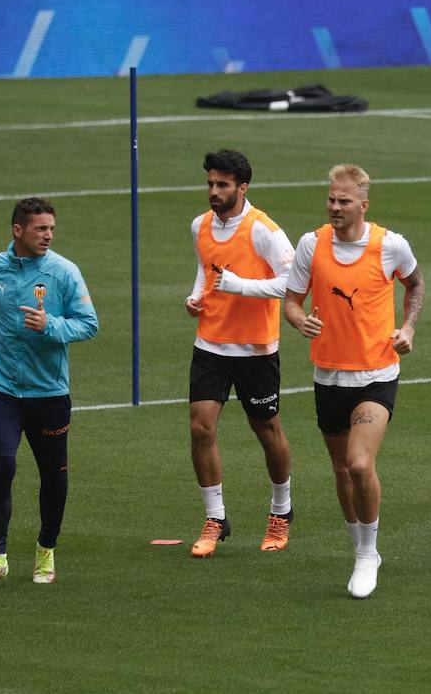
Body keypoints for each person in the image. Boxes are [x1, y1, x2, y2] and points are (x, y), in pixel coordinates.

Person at [284, 164, 424, 599]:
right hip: (329, 375)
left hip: (376, 374)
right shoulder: (312, 243)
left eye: (344, 201)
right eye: (331, 199)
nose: (335, 207)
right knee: (342, 470)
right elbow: (292, 299)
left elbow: (416, 286)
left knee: (361, 464)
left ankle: (367, 553)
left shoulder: (390, 245)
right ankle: (361, 543)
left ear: (363, 205)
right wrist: (299, 321)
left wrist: (408, 329)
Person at [0, 198, 99, 589]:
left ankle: (45, 549)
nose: (48, 235)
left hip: (48, 392)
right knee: (1, 465)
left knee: (53, 476)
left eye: (51, 227)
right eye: (40, 228)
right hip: (1, 387)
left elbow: (89, 324)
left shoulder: (64, 272)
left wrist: (50, 325)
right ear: (18, 230)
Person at [184, 149, 296, 558]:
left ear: (242, 187)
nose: (214, 191)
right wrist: (197, 296)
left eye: (222, 185)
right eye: (210, 183)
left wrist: (242, 287)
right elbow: (207, 269)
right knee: (200, 429)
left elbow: (291, 282)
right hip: (210, 343)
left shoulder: (264, 230)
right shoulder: (200, 225)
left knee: (267, 432)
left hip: (255, 349)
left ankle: (281, 511)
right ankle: (215, 518)